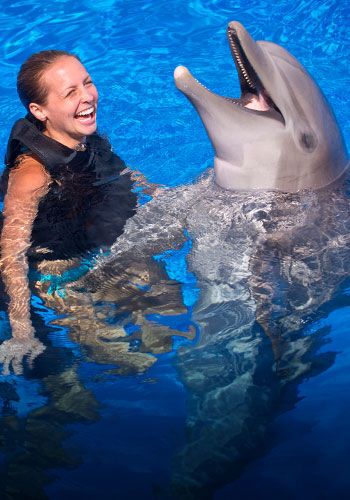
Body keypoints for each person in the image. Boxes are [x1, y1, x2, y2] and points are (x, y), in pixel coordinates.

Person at [0, 50, 141, 373]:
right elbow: (12, 252)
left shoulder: (85, 137)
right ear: (40, 111)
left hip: (92, 250)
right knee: (125, 359)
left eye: (87, 83)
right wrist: (22, 329)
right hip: (52, 272)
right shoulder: (32, 174)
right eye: (70, 93)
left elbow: (122, 174)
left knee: (166, 301)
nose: (88, 97)